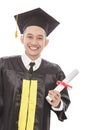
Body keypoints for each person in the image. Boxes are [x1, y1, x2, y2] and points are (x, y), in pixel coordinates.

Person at [0, 7, 71, 130]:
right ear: (22, 39)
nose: (34, 42)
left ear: (46, 42)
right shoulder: (4, 65)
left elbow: (63, 103)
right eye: (30, 36)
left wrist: (57, 103)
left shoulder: (54, 71)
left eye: (39, 38)